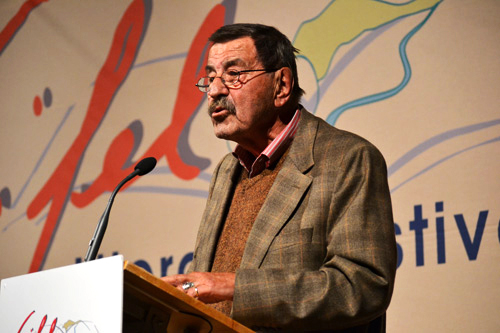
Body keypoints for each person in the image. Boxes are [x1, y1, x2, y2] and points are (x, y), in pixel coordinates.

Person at [162, 23, 397, 332]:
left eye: (234, 75)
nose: (216, 90)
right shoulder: (225, 171)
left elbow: (362, 287)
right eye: (211, 77)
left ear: (282, 85)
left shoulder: (347, 158)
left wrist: (235, 288)